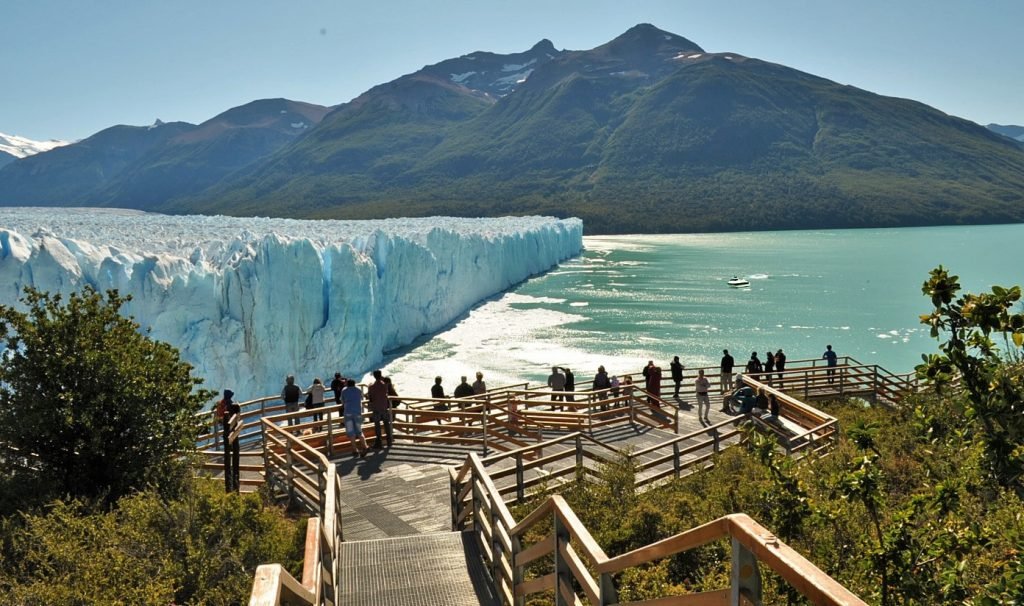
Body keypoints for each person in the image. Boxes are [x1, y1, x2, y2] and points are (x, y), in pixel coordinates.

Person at [341, 379, 368, 458]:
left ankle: (355, 450)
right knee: (359, 431)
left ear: (347, 384)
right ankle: (365, 446)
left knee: (351, 432)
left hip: (348, 413)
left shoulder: (344, 390)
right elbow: (362, 398)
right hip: (357, 413)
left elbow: (342, 401)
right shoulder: (358, 389)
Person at [221, 389, 241, 493]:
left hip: (226, 427)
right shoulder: (233, 405)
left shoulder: (223, 404)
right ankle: (234, 489)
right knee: (233, 439)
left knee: (228, 439)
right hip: (232, 427)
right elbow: (238, 413)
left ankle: (229, 448)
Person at [367, 370, 392, 449]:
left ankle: (379, 442)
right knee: (386, 424)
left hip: (376, 408)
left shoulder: (371, 387)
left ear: (374, 376)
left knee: (377, 426)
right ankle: (389, 441)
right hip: (384, 407)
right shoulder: (385, 385)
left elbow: (370, 398)